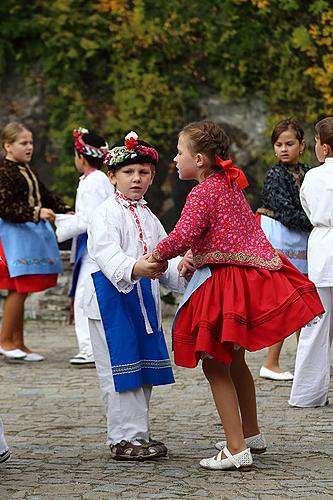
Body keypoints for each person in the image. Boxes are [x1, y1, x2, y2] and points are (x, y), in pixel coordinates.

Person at [149, 120, 324, 471]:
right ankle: (250, 433)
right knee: (236, 360)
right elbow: (225, 234)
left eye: (180, 152)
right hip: (242, 280)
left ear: (199, 159)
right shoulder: (228, 185)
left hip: (222, 283)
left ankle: (235, 448)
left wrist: (156, 255)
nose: (175, 158)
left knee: (215, 363)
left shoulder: (203, 191)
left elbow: (185, 233)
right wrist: (194, 256)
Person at [83, 131, 187, 460]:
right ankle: (122, 437)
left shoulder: (148, 214)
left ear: (153, 176)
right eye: (128, 172)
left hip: (143, 300)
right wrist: (136, 267)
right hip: (110, 299)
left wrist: (184, 274)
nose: (136, 178)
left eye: (143, 172)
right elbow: (104, 251)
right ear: (112, 176)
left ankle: (139, 433)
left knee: (143, 369)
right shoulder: (105, 213)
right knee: (119, 369)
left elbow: (164, 255)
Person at [0, 122, 72, 362]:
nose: (29, 147)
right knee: (16, 289)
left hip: (25, 237)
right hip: (12, 237)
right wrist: (36, 212)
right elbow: (5, 207)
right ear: (7, 145)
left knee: (21, 290)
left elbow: (46, 194)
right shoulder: (4, 171)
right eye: (23, 143)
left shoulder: (27, 169)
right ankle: (6, 341)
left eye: (30, 142)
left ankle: (18, 342)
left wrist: (65, 210)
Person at [256, 119, 312, 381]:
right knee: (286, 298)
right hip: (281, 236)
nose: (283, 149)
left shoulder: (308, 172)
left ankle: (307, 358)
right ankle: (271, 361)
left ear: (302, 145)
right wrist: (316, 222)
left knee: (304, 298)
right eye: (278, 145)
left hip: (300, 238)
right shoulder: (275, 175)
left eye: (289, 144)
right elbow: (286, 212)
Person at [55, 128, 113, 366]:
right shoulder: (98, 180)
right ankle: (95, 347)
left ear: (81, 157)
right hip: (95, 246)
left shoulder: (92, 183)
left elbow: (88, 219)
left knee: (84, 298)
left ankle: (90, 348)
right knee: (89, 296)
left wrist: (59, 224)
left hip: (93, 249)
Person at [289, 117, 333, 407]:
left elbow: (306, 206)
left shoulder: (313, 178)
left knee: (316, 324)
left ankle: (307, 393)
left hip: (322, 251)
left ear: (325, 148)